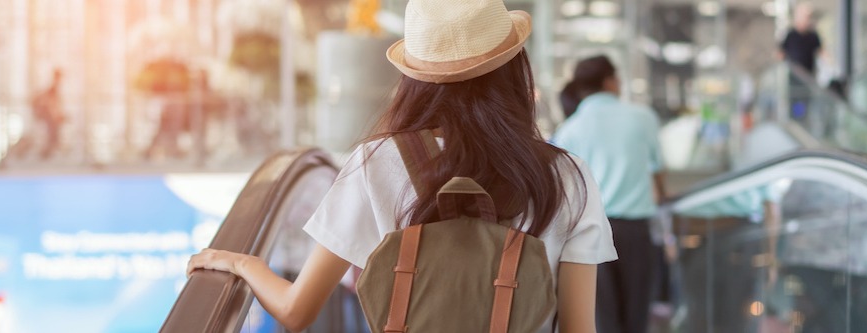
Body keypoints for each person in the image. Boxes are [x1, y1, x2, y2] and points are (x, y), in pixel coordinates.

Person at [187, 1, 618, 332]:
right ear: (514, 68)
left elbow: (296, 311)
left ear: (414, 78)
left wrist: (245, 264)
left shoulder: (378, 162)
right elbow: (580, 327)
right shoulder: (567, 174)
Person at [552, 55, 666, 333]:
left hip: (588, 234)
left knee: (601, 319)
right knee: (636, 317)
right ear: (610, 81)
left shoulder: (570, 129)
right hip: (635, 231)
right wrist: (662, 196)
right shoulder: (643, 117)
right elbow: (658, 171)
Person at [778, 2, 822, 120]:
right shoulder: (790, 34)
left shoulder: (813, 36)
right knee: (796, 105)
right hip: (794, 78)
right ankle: (797, 120)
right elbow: (781, 53)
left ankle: (802, 121)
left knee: (806, 104)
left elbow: (821, 52)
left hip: (808, 78)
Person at [32, 69, 65, 160]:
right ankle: (45, 154)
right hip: (50, 116)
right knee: (52, 136)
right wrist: (55, 114)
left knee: (52, 136)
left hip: (50, 116)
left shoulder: (53, 87)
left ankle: (46, 153)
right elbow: (51, 102)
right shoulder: (53, 87)